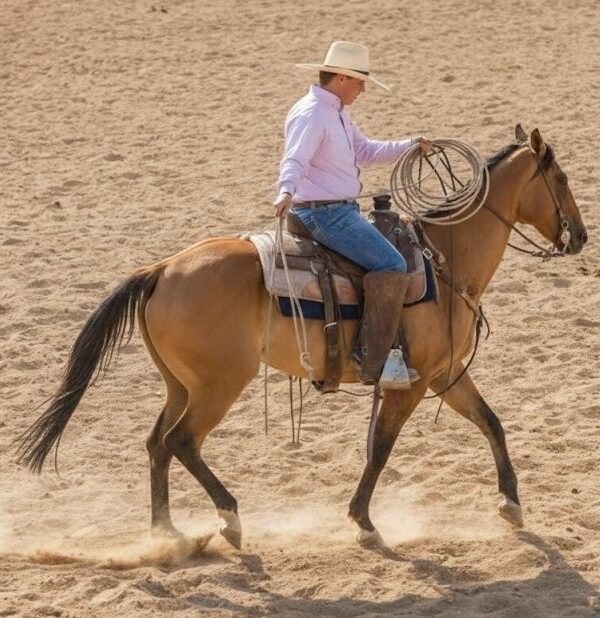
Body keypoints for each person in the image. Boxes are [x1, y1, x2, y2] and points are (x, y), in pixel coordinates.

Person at [273, 41, 433, 390]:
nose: (363, 89)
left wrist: (409, 144)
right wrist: (285, 190)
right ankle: (372, 361)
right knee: (392, 265)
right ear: (343, 78)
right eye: (360, 81)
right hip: (325, 215)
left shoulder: (336, 113)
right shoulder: (313, 114)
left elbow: (364, 151)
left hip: (336, 210)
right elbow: (295, 158)